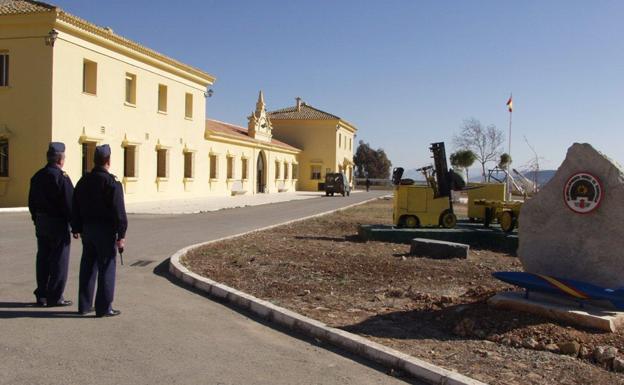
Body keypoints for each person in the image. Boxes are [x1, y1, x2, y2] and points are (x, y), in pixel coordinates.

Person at [72, 144, 127, 317]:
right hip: (105, 231)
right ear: (108, 161)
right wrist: (121, 235)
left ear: (94, 161)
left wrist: (77, 227)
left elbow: (75, 206)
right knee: (107, 268)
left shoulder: (83, 181)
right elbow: (119, 212)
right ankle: (104, 307)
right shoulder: (112, 182)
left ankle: (84, 305)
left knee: (88, 267)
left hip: (88, 230)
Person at [28, 142, 74, 307]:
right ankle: (55, 296)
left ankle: (41, 295)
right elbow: (70, 204)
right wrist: (75, 226)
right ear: (60, 159)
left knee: (43, 259)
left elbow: (31, 202)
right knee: (59, 260)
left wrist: (36, 219)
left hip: (42, 222)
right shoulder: (62, 178)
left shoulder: (37, 176)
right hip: (58, 224)